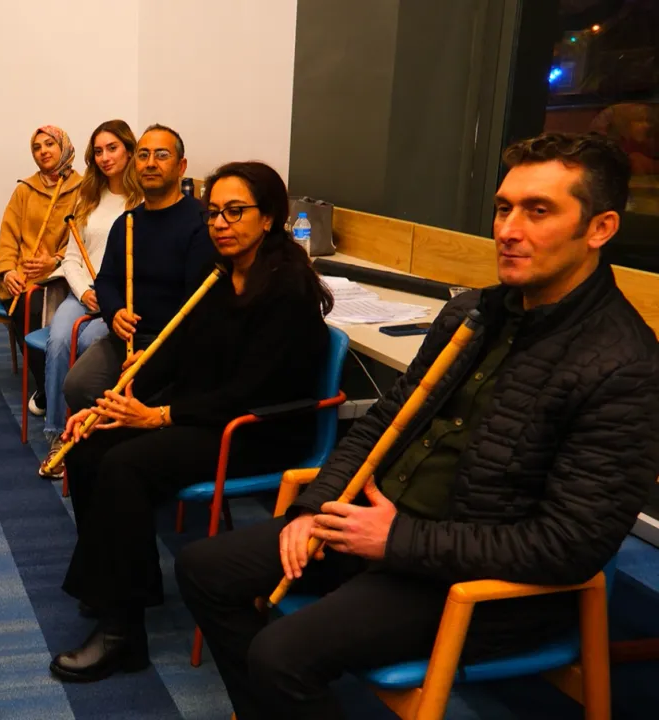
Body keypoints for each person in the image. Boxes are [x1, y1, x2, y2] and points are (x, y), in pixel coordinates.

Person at [176, 132, 659, 720]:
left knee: (280, 656)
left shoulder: (624, 365)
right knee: (203, 570)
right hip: (380, 533)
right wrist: (316, 505)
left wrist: (397, 540)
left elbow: (568, 547)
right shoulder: (472, 314)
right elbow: (383, 421)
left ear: (600, 228)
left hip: (477, 583)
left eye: (539, 211)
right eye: (503, 208)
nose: (507, 230)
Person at [50, 161, 334, 683]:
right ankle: (115, 585)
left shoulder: (286, 290)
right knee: (91, 449)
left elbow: (252, 391)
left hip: (258, 430)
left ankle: (122, 633)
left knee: (127, 466)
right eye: (213, 213)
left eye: (235, 212)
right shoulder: (221, 276)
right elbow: (176, 353)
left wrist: (159, 416)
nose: (220, 224)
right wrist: (114, 404)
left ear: (269, 217)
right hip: (208, 416)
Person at [62, 124, 215, 420]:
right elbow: (106, 280)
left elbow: (199, 309)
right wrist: (115, 312)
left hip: (175, 342)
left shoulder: (200, 224)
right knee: (79, 386)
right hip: (127, 338)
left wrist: (155, 355)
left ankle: (125, 434)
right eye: (143, 155)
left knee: (132, 391)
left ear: (181, 166)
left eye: (161, 155)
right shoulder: (127, 222)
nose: (150, 163)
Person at [38, 119, 144, 479]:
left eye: (112, 148)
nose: (104, 157)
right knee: (58, 340)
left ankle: (90, 428)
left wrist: (110, 297)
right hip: (83, 292)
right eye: (98, 151)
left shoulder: (142, 200)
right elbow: (71, 259)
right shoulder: (88, 196)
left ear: (129, 150)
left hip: (121, 300)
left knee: (85, 343)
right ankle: (57, 434)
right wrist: (84, 290)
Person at [0, 125, 83, 419]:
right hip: (21, 276)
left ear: (64, 148)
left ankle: (55, 383)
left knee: (41, 308)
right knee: (24, 307)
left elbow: (82, 239)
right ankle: (46, 384)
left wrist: (54, 262)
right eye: (37, 147)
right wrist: (8, 271)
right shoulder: (24, 189)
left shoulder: (83, 190)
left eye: (49, 144)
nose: (43, 151)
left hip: (61, 276)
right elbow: (8, 236)